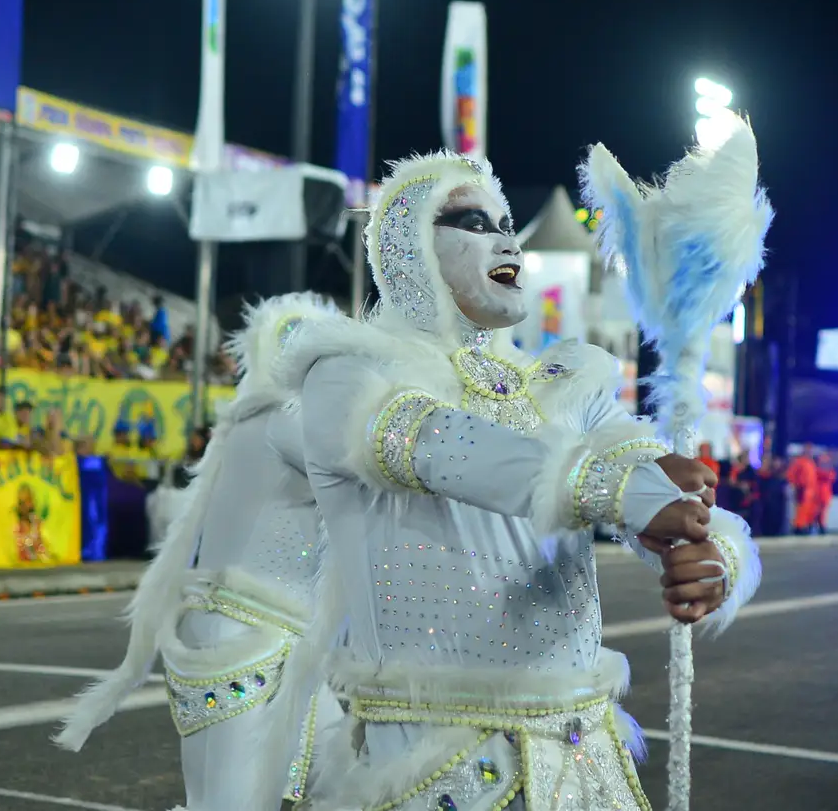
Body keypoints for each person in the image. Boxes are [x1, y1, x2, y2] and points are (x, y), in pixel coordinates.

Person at [272, 151, 761, 811]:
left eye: (506, 224)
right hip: (433, 768)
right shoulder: (347, 373)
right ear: (407, 246)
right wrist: (619, 488)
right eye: (472, 223)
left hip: (585, 760)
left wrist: (710, 555)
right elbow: (438, 446)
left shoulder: (564, 384)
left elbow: (653, 483)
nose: (507, 241)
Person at [56, 293, 344, 811]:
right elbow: (380, 467)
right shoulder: (282, 420)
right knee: (227, 802)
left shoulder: (264, 421)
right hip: (241, 637)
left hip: (279, 637)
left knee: (340, 781)